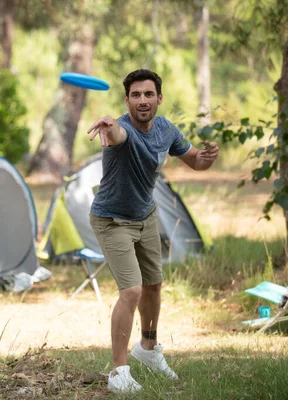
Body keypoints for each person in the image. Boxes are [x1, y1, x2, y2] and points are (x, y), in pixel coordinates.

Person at [87, 69, 219, 393]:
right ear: (127, 100)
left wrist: (206, 158)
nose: (142, 100)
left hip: (146, 216)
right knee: (131, 291)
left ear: (159, 98)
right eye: (135, 95)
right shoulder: (122, 130)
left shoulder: (166, 130)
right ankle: (119, 373)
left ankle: (148, 348)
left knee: (154, 286)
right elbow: (118, 134)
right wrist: (108, 125)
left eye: (148, 94)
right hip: (112, 219)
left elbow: (195, 162)